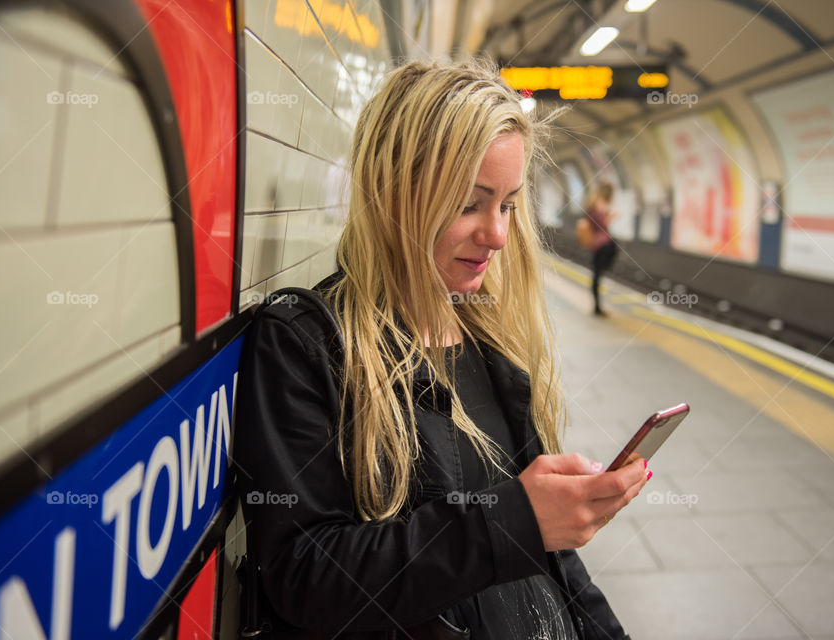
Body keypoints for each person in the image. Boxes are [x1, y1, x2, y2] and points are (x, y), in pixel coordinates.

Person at [234, 58, 651, 640]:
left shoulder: (489, 340)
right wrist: (512, 523)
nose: (498, 235)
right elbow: (304, 576)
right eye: (469, 204)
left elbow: (553, 561)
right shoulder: (307, 343)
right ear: (392, 192)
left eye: (506, 204)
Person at [584, 182, 618, 316]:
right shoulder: (599, 204)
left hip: (596, 244)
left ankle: (597, 306)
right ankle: (597, 308)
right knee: (598, 275)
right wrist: (612, 216)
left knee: (596, 274)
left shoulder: (591, 203)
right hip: (603, 244)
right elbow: (603, 224)